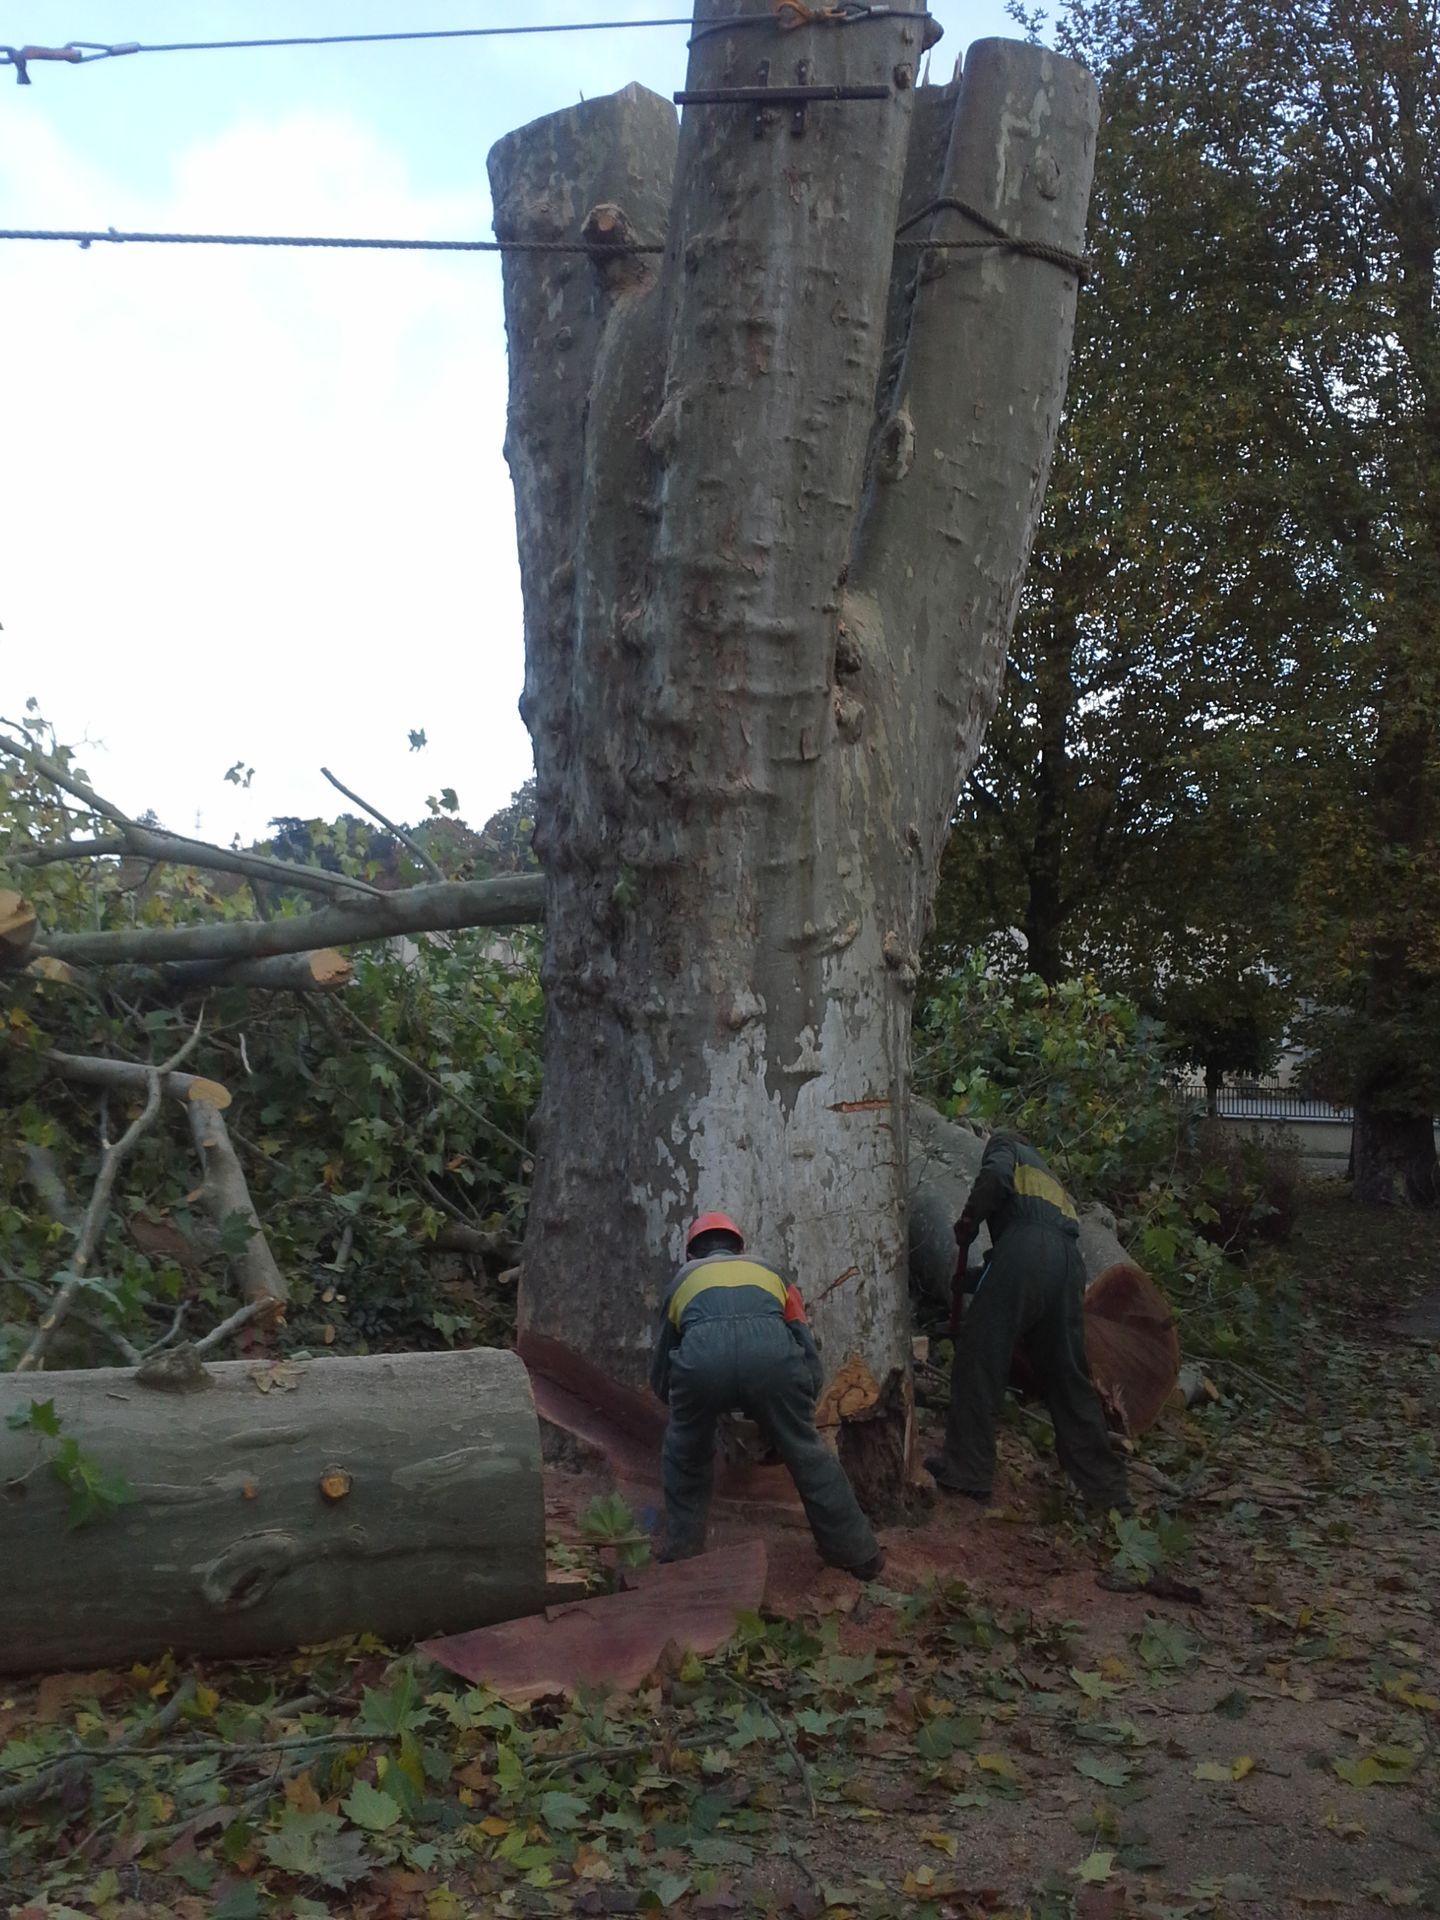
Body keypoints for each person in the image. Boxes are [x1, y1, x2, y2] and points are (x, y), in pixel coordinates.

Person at [650, 1211, 885, 1579]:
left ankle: (683, 1553)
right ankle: (859, 1556)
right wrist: (797, 1408)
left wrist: (686, 1413)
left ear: (691, 1253)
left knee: (684, 1455)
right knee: (808, 1455)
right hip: (774, 1361)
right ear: (740, 1247)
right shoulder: (773, 1273)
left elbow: (665, 1364)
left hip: (702, 1366)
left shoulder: (682, 1280)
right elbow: (804, 1345)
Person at [924, 1131, 1130, 1514]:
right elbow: (1032, 1259)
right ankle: (1109, 1494)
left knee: (979, 1357)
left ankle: (967, 1472)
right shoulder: (1048, 1179)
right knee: (1069, 1379)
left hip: (1029, 1251)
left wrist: (969, 1219)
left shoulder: (1005, 1146)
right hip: (1069, 1263)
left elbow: (998, 1183)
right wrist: (973, 1281)